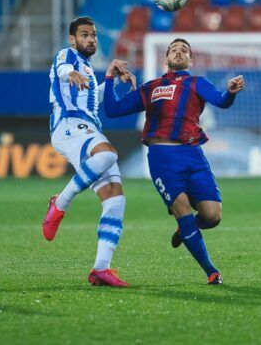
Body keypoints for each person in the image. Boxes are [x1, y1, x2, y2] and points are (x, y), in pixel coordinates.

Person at [103, 38, 245, 285]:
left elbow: (221, 100)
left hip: (192, 154)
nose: (179, 52)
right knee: (182, 209)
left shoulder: (197, 83)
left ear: (190, 61)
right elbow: (113, 110)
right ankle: (211, 271)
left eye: (185, 50)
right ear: (165, 59)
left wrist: (230, 92)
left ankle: (185, 228)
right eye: (174, 50)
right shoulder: (151, 87)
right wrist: (109, 78)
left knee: (212, 217)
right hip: (162, 157)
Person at [43, 16, 132, 287]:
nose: (91, 39)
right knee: (107, 154)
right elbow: (62, 71)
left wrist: (112, 79)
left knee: (115, 198)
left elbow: (93, 96)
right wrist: (69, 73)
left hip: (87, 126)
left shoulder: (87, 68)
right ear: (73, 39)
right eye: (84, 35)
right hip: (69, 125)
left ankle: (100, 269)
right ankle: (60, 203)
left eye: (93, 34)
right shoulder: (67, 56)